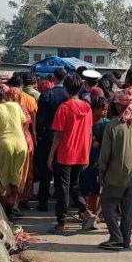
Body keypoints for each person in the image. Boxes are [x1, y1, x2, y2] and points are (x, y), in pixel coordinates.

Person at [96, 89, 132, 250]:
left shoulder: (112, 126)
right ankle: (125, 240)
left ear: (119, 106)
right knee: (128, 210)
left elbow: (105, 154)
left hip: (114, 174)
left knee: (107, 205)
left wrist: (101, 173)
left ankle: (116, 238)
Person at [48, 76, 95, 234]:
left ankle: (61, 224)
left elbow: (58, 136)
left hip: (65, 153)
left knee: (63, 190)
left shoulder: (64, 108)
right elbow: (89, 133)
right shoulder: (87, 108)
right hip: (81, 153)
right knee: (74, 186)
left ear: (65, 89)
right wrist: (87, 154)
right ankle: (86, 211)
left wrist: (50, 155)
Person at [0, 85, 29, 219]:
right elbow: (23, 120)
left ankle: (5, 212)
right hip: (21, 144)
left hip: (5, 145)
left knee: (3, 177)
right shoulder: (15, 105)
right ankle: (15, 206)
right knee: (17, 176)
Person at [35, 68, 68, 212]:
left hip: (48, 138)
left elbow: (40, 119)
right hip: (64, 139)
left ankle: (43, 203)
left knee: (45, 171)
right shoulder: (69, 96)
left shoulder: (47, 94)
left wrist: (40, 133)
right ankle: (62, 205)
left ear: (53, 78)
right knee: (62, 174)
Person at [6, 87, 36, 213]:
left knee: (12, 171)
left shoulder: (4, 108)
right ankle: (21, 200)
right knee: (25, 171)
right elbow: (27, 125)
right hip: (25, 141)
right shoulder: (23, 108)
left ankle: (11, 201)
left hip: (11, 141)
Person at [81, 97, 110, 224]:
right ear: (95, 109)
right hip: (84, 160)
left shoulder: (107, 124)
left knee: (97, 189)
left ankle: (94, 215)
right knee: (83, 188)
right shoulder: (86, 122)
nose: (105, 112)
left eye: (106, 110)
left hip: (99, 161)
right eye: (103, 109)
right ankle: (84, 212)